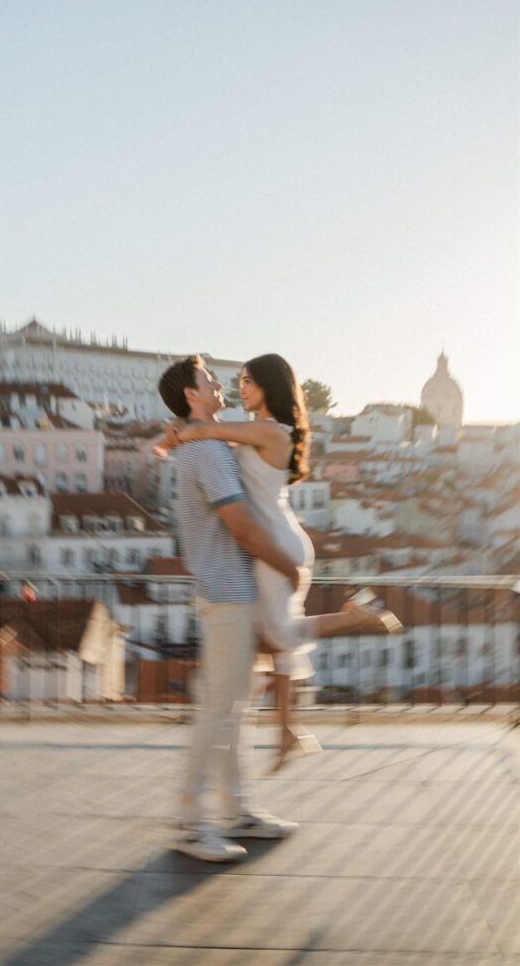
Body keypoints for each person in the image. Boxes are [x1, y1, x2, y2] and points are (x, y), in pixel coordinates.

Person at [157, 355, 399, 863]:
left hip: (236, 587)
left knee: (236, 710)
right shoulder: (208, 452)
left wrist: (176, 434)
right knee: (218, 711)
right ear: (190, 395)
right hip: (225, 589)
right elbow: (242, 526)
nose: (219, 382)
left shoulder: (215, 441)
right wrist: (286, 568)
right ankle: (188, 821)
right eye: (208, 379)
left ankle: (238, 810)